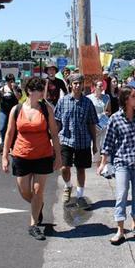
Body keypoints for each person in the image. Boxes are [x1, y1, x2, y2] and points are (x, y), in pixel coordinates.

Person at [1, 77, 62, 241]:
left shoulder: (46, 109)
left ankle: (33, 225)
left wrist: (58, 156)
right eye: (40, 90)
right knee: (24, 191)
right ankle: (38, 205)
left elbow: (54, 134)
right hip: (21, 155)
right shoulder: (17, 109)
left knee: (38, 191)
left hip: (43, 155)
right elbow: (9, 134)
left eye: (43, 89)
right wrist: (5, 157)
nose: (43, 92)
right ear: (29, 91)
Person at [97, 86, 135, 245]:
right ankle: (120, 230)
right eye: (134, 96)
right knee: (121, 195)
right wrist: (103, 163)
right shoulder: (115, 118)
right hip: (122, 162)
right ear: (126, 100)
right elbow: (108, 143)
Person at [54, 73, 98, 208]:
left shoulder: (88, 103)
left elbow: (92, 123)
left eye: (80, 83)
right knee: (64, 167)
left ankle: (80, 196)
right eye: (75, 83)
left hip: (83, 141)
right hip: (66, 140)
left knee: (81, 169)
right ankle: (68, 186)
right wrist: (54, 141)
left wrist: (95, 143)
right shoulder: (63, 101)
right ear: (70, 85)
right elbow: (57, 123)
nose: (78, 86)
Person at [87, 80, 111, 164]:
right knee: (95, 143)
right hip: (94, 124)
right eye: (99, 86)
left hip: (104, 123)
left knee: (105, 142)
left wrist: (105, 114)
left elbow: (109, 111)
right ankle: (97, 163)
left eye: (102, 86)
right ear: (94, 87)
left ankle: (105, 164)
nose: (101, 88)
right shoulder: (89, 98)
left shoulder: (106, 97)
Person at [0, 73, 23, 143]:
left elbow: (19, 97)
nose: (10, 83)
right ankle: (4, 145)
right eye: (9, 81)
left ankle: (13, 145)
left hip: (14, 112)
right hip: (4, 111)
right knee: (2, 128)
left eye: (12, 81)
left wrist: (14, 89)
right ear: (6, 81)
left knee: (15, 129)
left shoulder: (17, 88)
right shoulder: (2, 89)